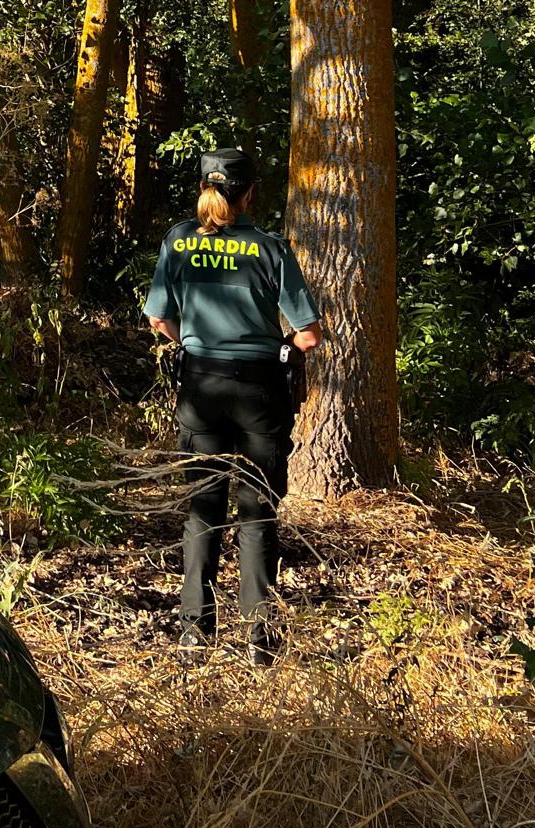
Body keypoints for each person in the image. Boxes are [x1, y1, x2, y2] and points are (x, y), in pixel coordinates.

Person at [142, 148, 323, 666]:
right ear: (248, 193)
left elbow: (158, 318)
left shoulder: (179, 241)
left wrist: (193, 344)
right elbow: (307, 334)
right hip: (259, 393)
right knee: (258, 512)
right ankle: (258, 643)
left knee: (202, 511)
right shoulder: (269, 249)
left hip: (200, 387)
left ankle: (194, 636)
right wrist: (281, 345)